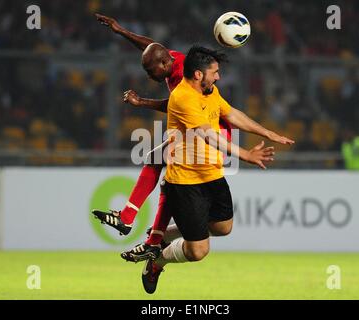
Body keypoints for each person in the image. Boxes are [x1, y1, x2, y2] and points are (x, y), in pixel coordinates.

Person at [91, 14, 294, 263]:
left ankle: (148, 237)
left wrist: (141, 102)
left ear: (165, 64)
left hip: (211, 135)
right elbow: (151, 46)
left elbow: (177, 106)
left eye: (150, 70)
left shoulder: (183, 80)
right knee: (160, 164)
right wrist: (121, 31)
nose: (149, 76)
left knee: (167, 173)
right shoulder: (175, 60)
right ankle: (135, 225)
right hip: (199, 133)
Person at [139, 45, 295, 294]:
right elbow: (207, 134)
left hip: (211, 175)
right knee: (198, 251)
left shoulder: (209, 91)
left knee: (224, 227)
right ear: (199, 74)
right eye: (215, 72)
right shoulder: (182, 97)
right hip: (186, 182)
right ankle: (157, 261)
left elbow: (231, 114)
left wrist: (267, 132)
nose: (218, 76)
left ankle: (162, 235)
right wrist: (245, 154)